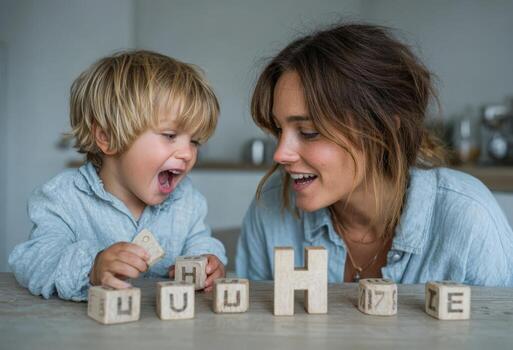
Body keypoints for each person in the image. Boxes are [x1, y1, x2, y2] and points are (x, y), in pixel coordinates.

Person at [236, 23, 513, 286]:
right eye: (278, 129)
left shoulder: (469, 218)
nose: (280, 154)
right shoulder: (271, 207)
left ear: (381, 130)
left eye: (309, 132)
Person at [9, 50, 226, 301]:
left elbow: (199, 241)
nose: (188, 153)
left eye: (195, 141)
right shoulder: (63, 199)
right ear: (107, 138)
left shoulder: (187, 200)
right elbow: (35, 260)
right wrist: (92, 267)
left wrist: (208, 261)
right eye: (169, 135)